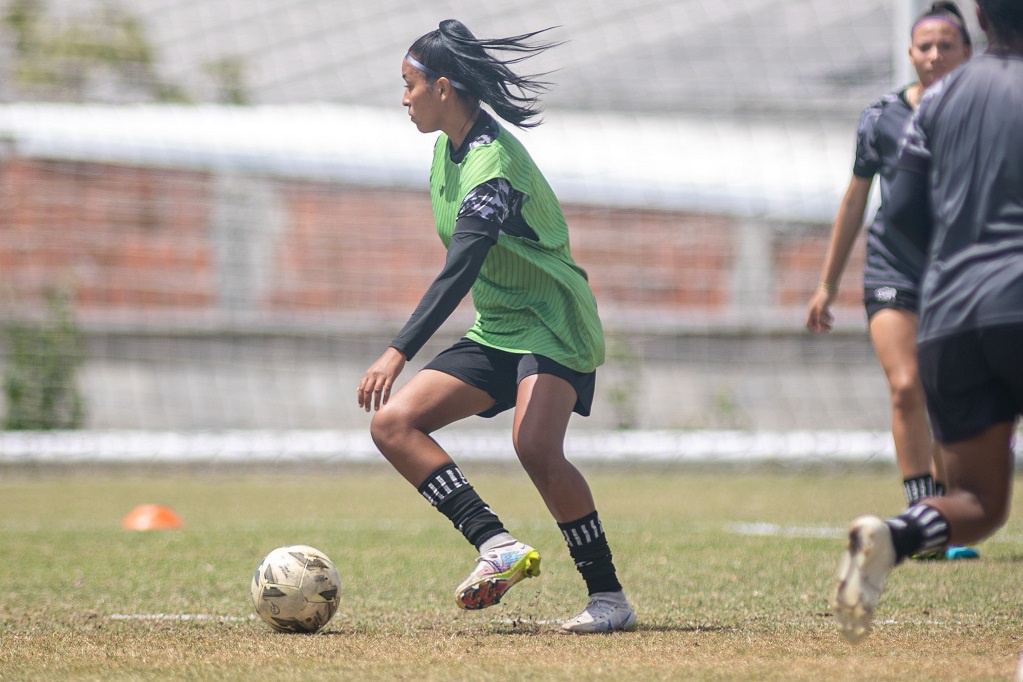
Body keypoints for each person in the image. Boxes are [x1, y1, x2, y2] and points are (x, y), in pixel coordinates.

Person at [357, 19, 636, 634]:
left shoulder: (492, 165)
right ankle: (496, 546)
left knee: (534, 445)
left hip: (553, 321)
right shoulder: (443, 152)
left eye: (409, 85)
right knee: (394, 424)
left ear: (443, 87)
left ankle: (609, 599)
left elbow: (461, 267)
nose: (403, 97)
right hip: (501, 326)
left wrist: (397, 350)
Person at [833, 0, 1023, 644]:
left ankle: (898, 532)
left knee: (978, 502)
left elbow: (904, 215)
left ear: (980, 18)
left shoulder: (935, 103)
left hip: (948, 315)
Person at [806, 2, 975, 559]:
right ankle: (919, 509)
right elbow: (855, 198)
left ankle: (945, 514)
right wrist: (827, 284)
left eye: (946, 45)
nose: (934, 55)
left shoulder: (988, 117)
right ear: (910, 54)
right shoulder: (880, 119)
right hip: (891, 270)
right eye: (924, 46)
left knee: (951, 390)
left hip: (958, 277)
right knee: (907, 385)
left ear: (967, 53)